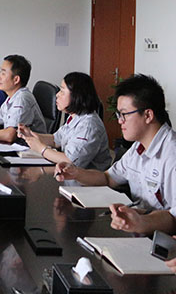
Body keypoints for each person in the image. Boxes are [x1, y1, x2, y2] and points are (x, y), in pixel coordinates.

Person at [55, 74, 176, 235]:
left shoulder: (171, 155)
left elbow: (173, 217)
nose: (120, 121)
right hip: (138, 230)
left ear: (148, 115)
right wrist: (76, 173)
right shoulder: (138, 147)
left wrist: (141, 222)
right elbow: (108, 178)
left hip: (159, 238)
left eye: (124, 114)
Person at [17, 72, 111, 170]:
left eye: (62, 91)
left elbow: (71, 161)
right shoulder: (75, 116)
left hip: (86, 179)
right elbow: (55, 140)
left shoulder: (89, 126)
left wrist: (41, 149)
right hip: (69, 175)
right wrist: (31, 135)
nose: (57, 95)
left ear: (76, 95)